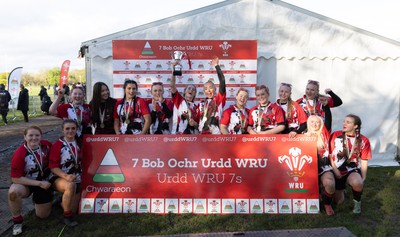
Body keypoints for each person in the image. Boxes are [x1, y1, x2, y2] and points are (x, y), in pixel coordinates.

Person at [8, 126, 53, 236]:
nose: (34, 138)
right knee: (13, 192)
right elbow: (15, 178)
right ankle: (17, 221)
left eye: (37, 135)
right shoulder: (19, 153)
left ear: (41, 136)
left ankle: (41, 201)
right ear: (25, 137)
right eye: (30, 135)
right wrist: (38, 183)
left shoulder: (46, 145)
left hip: (44, 183)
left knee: (43, 216)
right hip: (27, 183)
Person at [330, 114, 372, 214]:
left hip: (351, 169)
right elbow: (330, 154)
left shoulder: (363, 140)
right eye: (344, 121)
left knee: (358, 182)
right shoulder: (336, 135)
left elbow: (364, 159)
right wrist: (335, 170)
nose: (344, 124)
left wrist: (363, 177)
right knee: (339, 201)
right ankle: (341, 188)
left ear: (355, 126)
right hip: (337, 168)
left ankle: (357, 203)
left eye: (348, 122)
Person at [49, 120, 81, 227]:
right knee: (70, 186)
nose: (70, 131)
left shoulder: (80, 142)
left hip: (76, 176)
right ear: (62, 130)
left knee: (74, 210)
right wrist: (65, 176)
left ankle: (61, 201)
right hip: (59, 176)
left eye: (73, 128)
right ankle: (67, 217)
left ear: (77, 129)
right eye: (67, 129)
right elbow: (53, 167)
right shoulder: (57, 145)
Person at [305, 115, 335, 215]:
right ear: (308, 123)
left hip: (324, 166)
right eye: (312, 122)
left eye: (317, 122)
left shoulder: (325, 133)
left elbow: (329, 119)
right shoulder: (302, 136)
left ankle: (327, 204)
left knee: (330, 184)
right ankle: (316, 196)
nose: (315, 124)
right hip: (308, 168)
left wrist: (326, 106)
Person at [197, 56, 226, 134]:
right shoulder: (201, 104)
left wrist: (216, 66)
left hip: (215, 134)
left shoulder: (219, 99)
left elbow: (222, 81)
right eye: (205, 89)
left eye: (210, 88)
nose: (208, 90)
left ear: (215, 89)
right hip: (201, 134)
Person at [170, 68, 199, 134]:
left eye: (193, 89)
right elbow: (172, 86)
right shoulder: (179, 99)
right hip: (178, 135)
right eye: (189, 88)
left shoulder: (196, 107)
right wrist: (174, 71)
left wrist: (194, 124)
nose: (191, 90)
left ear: (195, 94)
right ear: (185, 91)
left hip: (191, 137)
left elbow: (199, 126)